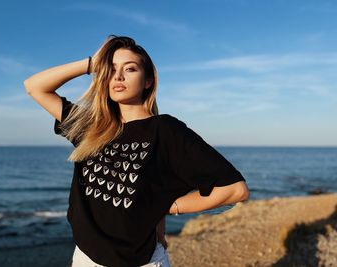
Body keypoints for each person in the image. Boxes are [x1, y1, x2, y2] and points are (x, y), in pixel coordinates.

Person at [23, 35, 250, 267]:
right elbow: (34, 87)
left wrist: (168, 207)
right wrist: (92, 64)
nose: (118, 76)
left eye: (130, 69)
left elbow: (235, 190)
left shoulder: (165, 131)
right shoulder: (91, 126)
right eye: (111, 70)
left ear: (148, 80)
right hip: (85, 258)